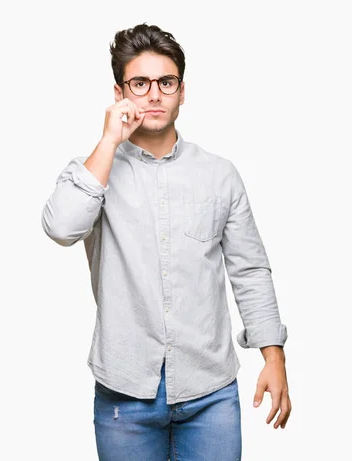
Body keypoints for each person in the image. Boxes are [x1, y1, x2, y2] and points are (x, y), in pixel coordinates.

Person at [41, 23, 291, 461]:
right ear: (120, 93)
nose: (154, 94)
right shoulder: (93, 170)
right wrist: (108, 141)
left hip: (210, 392)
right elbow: (62, 227)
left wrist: (274, 357)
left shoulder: (220, 174)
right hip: (125, 393)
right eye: (140, 83)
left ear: (181, 90)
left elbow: (249, 270)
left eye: (166, 82)